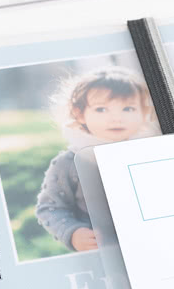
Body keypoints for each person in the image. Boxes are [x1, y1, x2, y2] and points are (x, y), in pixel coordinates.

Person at [36, 67, 158, 252]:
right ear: (79, 113)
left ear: (144, 112)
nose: (116, 118)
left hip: (151, 245)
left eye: (128, 108)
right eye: (101, 109)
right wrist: (72, 232)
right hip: (104, 251)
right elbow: (50, 208)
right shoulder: (70, 162)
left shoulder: (152, 151)